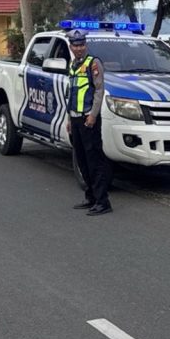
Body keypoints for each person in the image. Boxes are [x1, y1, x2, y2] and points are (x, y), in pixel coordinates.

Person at [66, 30, 112, 216]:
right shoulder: (73, 65)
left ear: (86, 45)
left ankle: (103, 201)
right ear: (71, 47)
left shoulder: (93, 63)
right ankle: (90, 196)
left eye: (81, 45)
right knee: (82, 160)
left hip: (88, 118)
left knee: (94, 161)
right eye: (75, 45)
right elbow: (71, 93)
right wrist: (69, 118)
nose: (79, 48)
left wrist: (93, 115)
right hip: (75, 118)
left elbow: (99, 91)